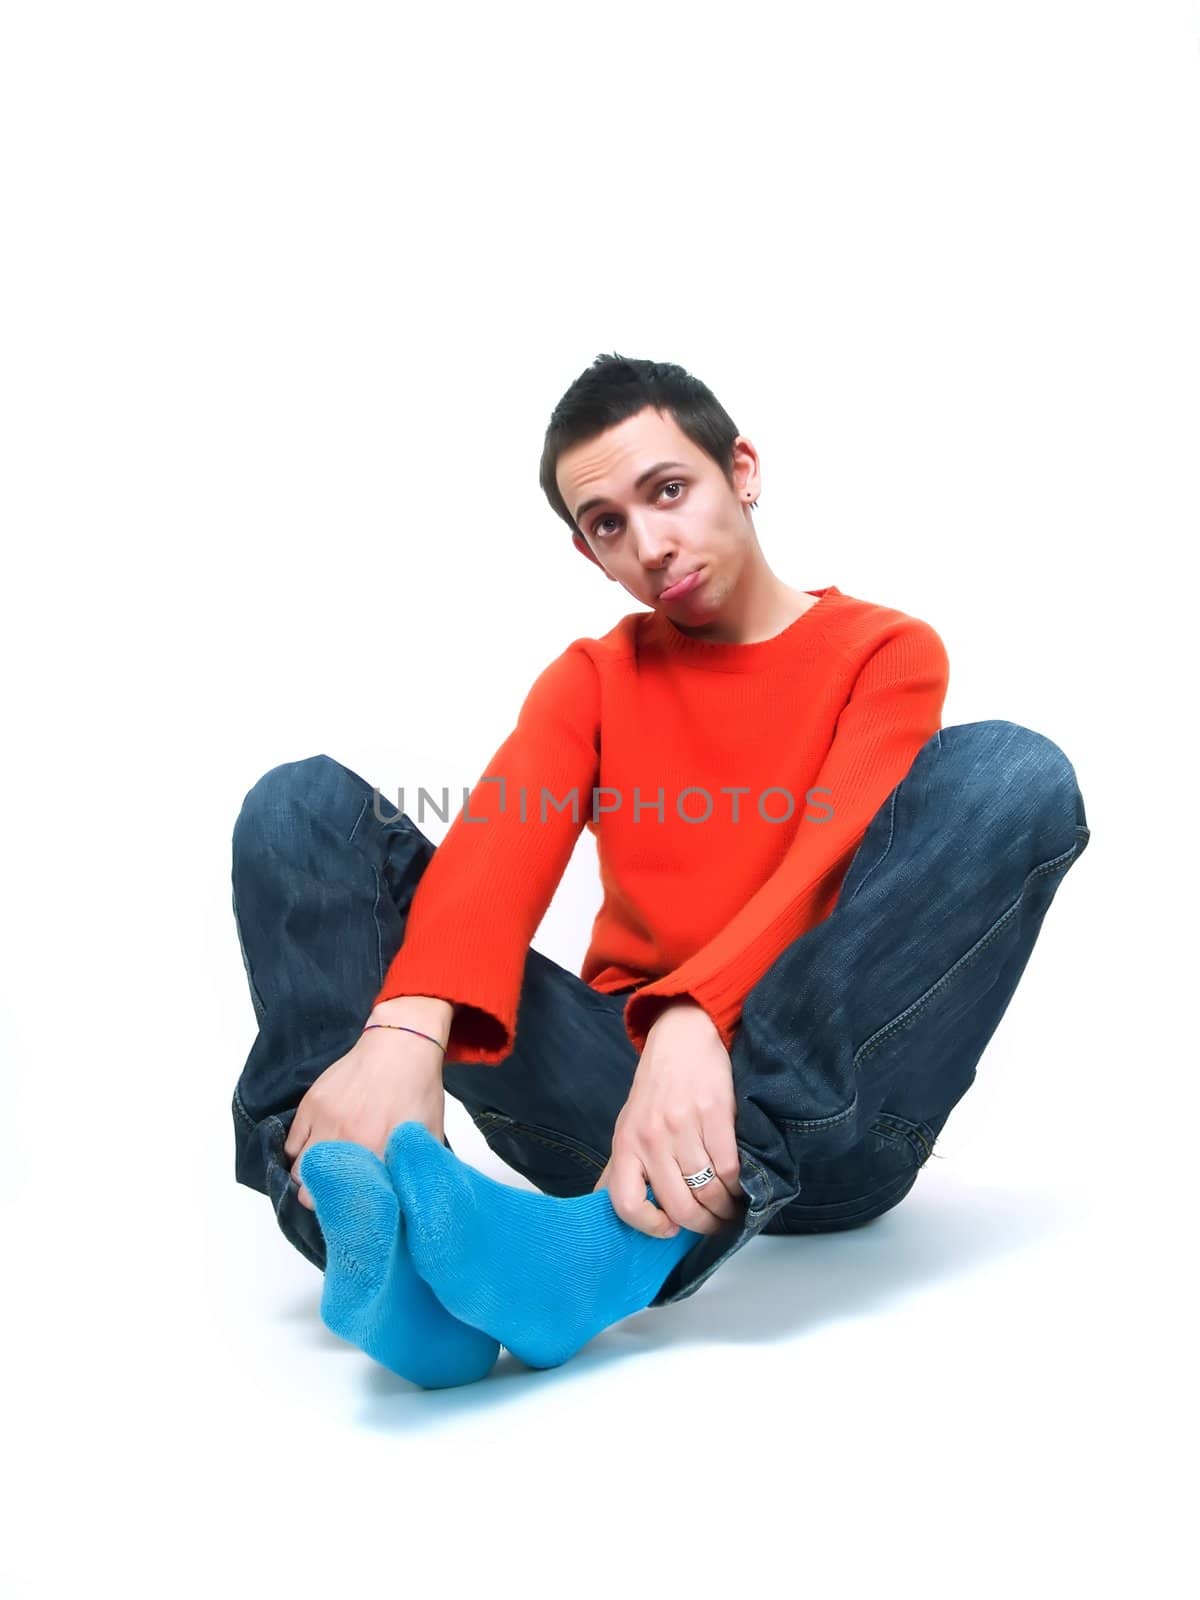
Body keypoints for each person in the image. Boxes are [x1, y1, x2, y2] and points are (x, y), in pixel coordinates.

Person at [230, 352, 1091, 1389]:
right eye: (606, 524)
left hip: (830, 1122)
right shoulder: (596, 675)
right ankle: (366, 1235)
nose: (649, 544)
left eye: (668, 491)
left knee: (1011, 772)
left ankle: (603, 1259)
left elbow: (824, 863)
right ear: (588, 552)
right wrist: (407, 1023)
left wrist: (695, 1014)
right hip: (615, 1106)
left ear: (743, 470)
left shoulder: (883, 650)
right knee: (301, 805)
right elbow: (501, 842)